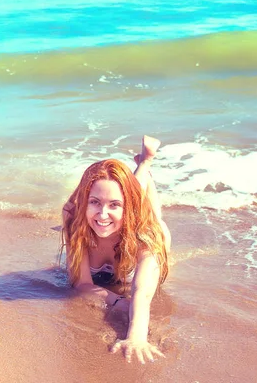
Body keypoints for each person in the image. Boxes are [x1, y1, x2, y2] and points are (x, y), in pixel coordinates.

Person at [60, 135, 171, 364]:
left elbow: (142, 291)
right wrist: (119, 301)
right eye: (94, 202)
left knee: (141, 199)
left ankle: (145, 163)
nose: (101, 214)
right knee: (121, 193)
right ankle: (142, 163)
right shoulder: (73, 217)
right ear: (84, 201)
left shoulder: (145, 235)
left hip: (147, 226)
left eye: (114, 205)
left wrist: (136, 337)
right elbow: (81, 283)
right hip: (118, 213)